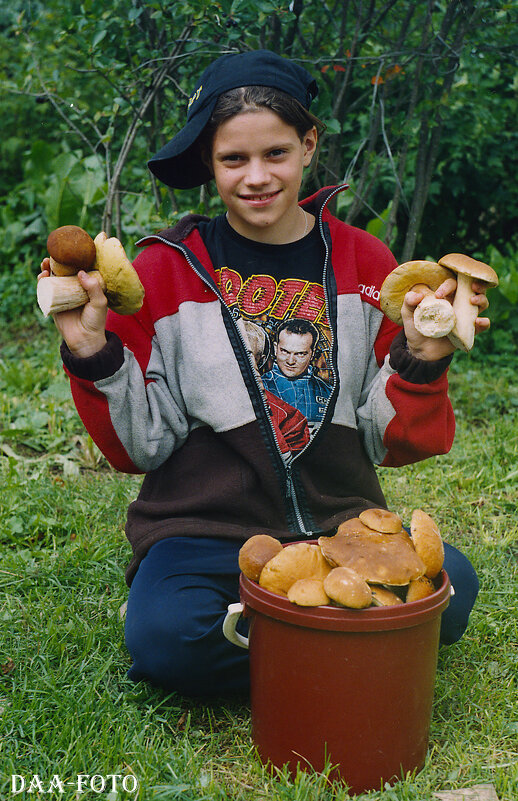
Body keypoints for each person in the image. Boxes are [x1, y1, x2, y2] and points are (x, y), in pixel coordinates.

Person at [41, 50, 489, 697]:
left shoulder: (365, 262)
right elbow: (144, 445)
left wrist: (423, 352)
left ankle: (265, 636)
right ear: (209, 163)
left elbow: (387, 439)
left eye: (275, 153)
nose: (256, 176)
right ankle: (349, 636)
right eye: (233, 159)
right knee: (166, 638)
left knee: (455, 587)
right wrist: (91, 350)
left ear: (308, 145)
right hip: (206, 536)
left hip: (342, 530)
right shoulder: (164, 271)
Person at [261, 318, 332, 425]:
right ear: (276, 349)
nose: (290, 361)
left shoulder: (328, 393)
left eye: (300, 354)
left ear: (312, 354)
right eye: (285, 351)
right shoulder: (258, 388)